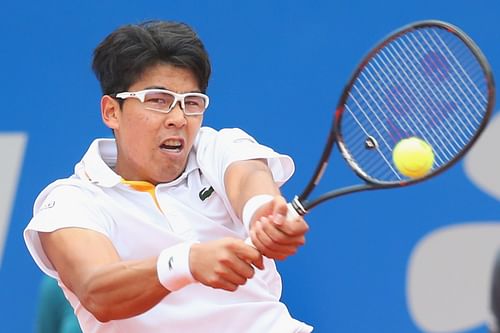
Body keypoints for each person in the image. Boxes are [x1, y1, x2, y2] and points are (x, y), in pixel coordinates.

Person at [24, 20, 312, 333]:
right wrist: (185, 263)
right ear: (111, 112)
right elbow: (97, 290)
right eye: (158, 101)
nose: (178, 118)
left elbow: (249, 180)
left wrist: (263, 214)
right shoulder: (70, 202)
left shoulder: (217, 148)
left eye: (191, 103)